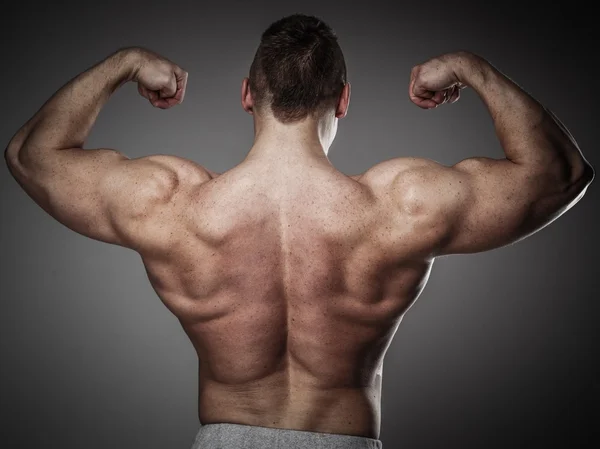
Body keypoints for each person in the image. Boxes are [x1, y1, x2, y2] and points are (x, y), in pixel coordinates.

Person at [4, 13, 594, 449]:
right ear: (342, 100)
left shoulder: (173, 205)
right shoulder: (401, 206)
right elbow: (561, 173)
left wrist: (124, 63)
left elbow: (31, 155)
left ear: (246, 96)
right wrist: (474, 68)